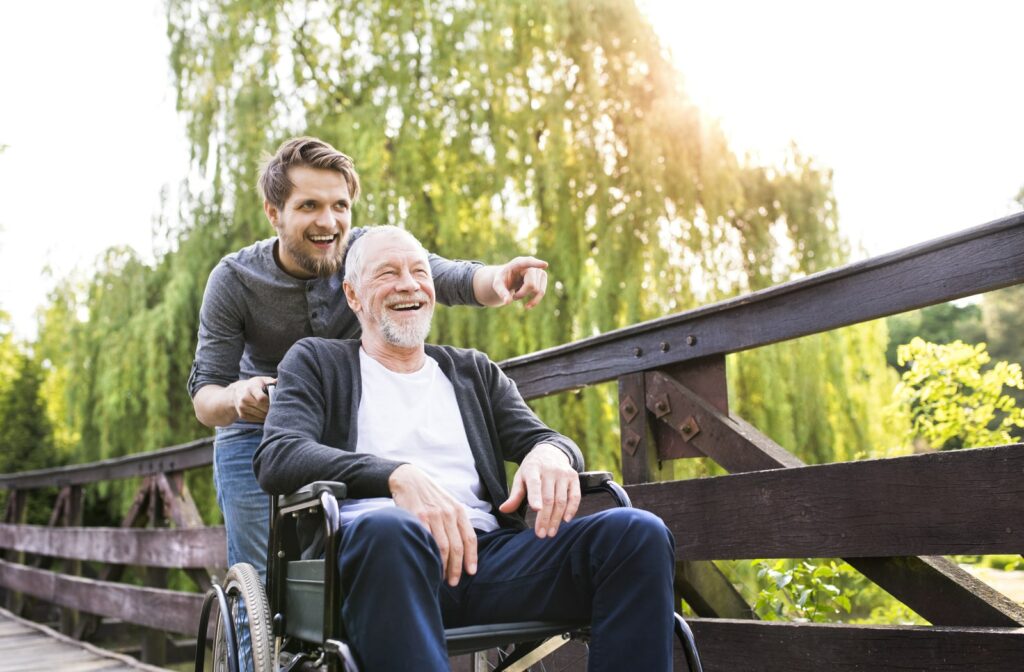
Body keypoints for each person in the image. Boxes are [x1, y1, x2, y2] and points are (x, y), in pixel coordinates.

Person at [254, 226, 676, 671]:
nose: (409, 284)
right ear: (354, 296)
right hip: (377, 561)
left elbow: (546, 438)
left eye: (420, 271)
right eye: (388, 273)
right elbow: (279, 455)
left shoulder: (472, 371)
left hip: (486, 560)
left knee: (637, 534)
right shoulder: (317, 362)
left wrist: (551, 453)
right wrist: (397, 476)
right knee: (391, 529)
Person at [188, 137, 550, 578]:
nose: (329, 221)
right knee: (261, 580)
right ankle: (259, 643)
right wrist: (238, 397)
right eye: (309, 206)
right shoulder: (233, 280)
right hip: (255, 434)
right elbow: (205, 399)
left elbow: (449, 276)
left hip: (340, 427)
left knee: (342, 566)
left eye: (340, 206)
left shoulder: (366, 254)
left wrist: (503, 278)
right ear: (273, 213)